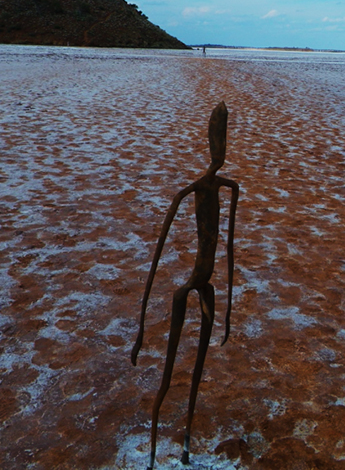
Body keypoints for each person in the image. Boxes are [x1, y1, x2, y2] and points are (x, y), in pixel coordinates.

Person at [131, 101, 239, 469]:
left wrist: (226, 314)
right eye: (217, 142)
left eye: (223, 142)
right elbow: (158, 255)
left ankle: (187, 445)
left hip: (206, 288)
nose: (220, 152)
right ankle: (152, 451)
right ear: (211, 143)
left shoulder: (230, 188)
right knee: (168, 375)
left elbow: (229, 251)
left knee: (196, 373)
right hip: (190, 287)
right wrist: (142, 328)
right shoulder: (190, 191)